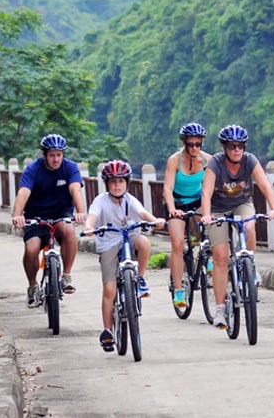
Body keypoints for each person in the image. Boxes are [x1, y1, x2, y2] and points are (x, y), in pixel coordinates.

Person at [199, 124, 274, 329]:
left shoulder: (250, 160)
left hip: (241, 203)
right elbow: (206, 193)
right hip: (217, 209)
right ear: (224, 148)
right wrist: (207, 215)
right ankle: (219, 309)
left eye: (240, 146)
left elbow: (264, 186)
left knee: (249, 226)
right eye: (232, 146)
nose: (237, 150)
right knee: (220, 257)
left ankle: (249, 264)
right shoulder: (215, 164)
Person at [84, 159, 165, 352]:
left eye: (121, 181)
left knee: (144, 242)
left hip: (131, 237)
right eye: (113, 182)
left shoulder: (130, 199)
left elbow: (142, 213)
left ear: (127, 182)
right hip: (109, 243)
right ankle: (107, 331)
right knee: (109, 290)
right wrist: (88, 227)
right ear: (107, 184)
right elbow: (92, 217)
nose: (117, 185)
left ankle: (141, 278)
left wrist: (155, 221)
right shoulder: (100, 201)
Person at [11, 133, 87, 308]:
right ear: (44, 155)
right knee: (31, 248)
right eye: (52, 155)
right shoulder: (33, 169)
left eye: (59, 155)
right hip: (36, 215)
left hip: (61, 213)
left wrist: (81, 212)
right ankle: (32, 286)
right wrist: (18, 215)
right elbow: (23, 192)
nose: (56, 159)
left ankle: (66, 276)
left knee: (69, 232)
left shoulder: (70, 168)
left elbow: (75, 189)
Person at [163, 122, 213, 308]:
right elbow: (167, 188)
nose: (194, 148)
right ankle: (178, 290)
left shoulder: (208, 160)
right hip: (176, 202)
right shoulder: (174, 160)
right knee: (177, 243)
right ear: (184, 143)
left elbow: (212, 187)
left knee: (208, 224)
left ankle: (205, 252)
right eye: (190, 144)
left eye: (197, 144)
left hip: (197, 201)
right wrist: (171, 209)